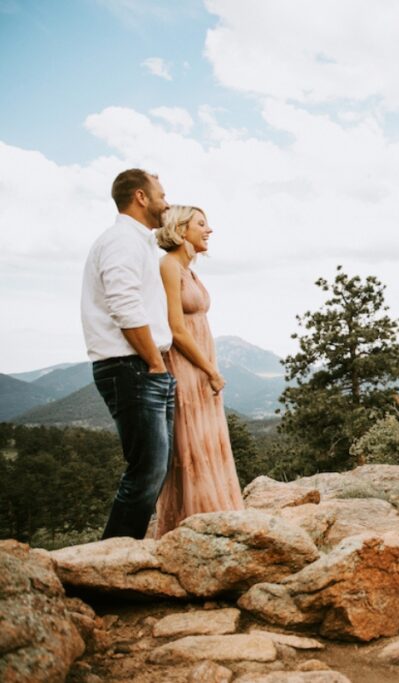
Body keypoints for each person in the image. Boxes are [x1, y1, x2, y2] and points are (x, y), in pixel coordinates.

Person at [81, 169, 175, 539]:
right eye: (162, 195)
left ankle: (120, 553)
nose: (166, 203)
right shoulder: (122, 240)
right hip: (131, 366)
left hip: (142, 365)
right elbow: (124, 306)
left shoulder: (139, 242)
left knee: (156, 468)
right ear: (141, 197)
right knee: (146, 471)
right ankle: (110, 558)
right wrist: (154, 361)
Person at [152, 206, 244, 537]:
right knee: (190, 444)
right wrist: (209, 370)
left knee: (208, 440)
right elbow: (176, 330)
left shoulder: (189, 270)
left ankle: (217, 516)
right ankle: (189, 527)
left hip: (202, 363)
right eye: (201, 224)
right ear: (179, 229)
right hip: (185, 366)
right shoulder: (168, 266)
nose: (209, 230)